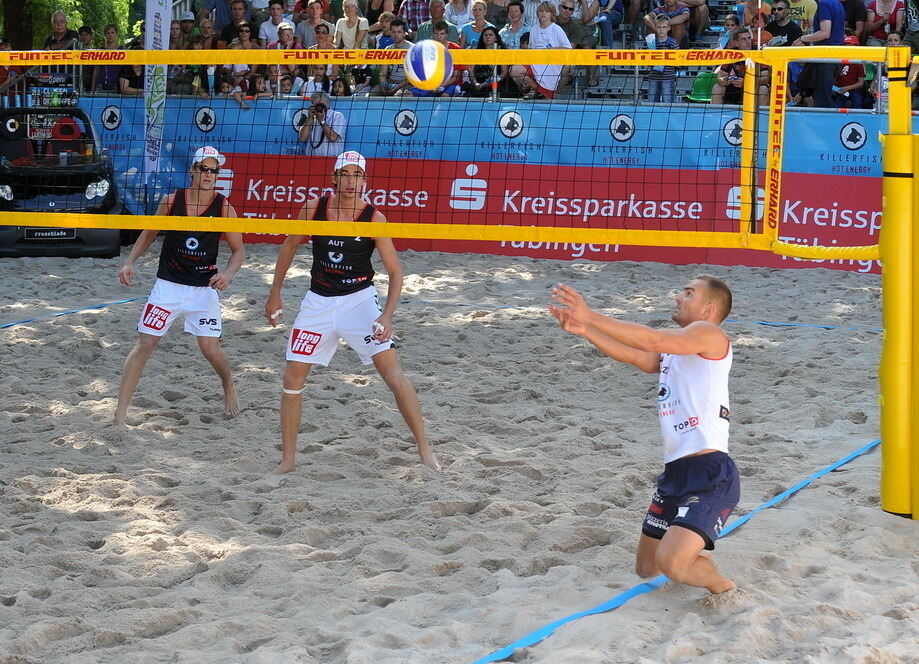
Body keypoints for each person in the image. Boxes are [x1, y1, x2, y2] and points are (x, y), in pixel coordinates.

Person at [549, 277, 739, 595]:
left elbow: (650, 340)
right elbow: (638, 356)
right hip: (676, 473)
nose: (678, 296)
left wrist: (590, 315)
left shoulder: (709, 333)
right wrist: (586, 331)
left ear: (709, 307)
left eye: (688, 293)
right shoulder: (679, 352)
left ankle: (721, 585)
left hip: (710, 473)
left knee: (672, 564)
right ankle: (688, 552)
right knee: (647, 568)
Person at [264, 151, 440, 475]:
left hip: (359, 301)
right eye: (345, 174)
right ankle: (288, 461)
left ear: (364, 181)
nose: (351, 181)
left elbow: (396, 273)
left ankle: (424, 448)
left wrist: (386, 317)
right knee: (292, 377)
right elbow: (288, 247)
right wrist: (274, 292)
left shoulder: (373, 218)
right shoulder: (313, 209)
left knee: (392, 373)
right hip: (318, 302)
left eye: (357, 175)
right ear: (334, 179)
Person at [114, 146, 244, 427]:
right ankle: (119, 414)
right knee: (146, 343)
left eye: (214, 170)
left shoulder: (224, 207)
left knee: (210, 349)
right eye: (204, 169)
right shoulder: (172, 200)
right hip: (168, 286)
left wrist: (228, 275)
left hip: (203, 290)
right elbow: (148, 234)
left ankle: (229, 385)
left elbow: (238, 252)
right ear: (193, 171)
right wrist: (130, 261)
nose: (209, 174)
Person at [510, 1, 571, 99]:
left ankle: (542, 91)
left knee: (548, 100)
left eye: (546, 11)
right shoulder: (534, 29)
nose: (543, 13)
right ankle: (538, 89)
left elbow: (568, 48)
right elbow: (530, 49)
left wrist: (551, 50)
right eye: (541, 11)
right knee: (514, 71)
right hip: (535, 63)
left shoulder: (556, 29)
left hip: (551, 64)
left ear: (552, 14)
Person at [792, 0, 845, 108]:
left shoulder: (824, 3)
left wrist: (802, 38)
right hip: (834, 55)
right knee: (820, 95)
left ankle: (830, 124)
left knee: (822, 98)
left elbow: (825, 33)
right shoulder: (837, 3)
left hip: (825, 57)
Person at [298, 90, 347, 155]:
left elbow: (332, 138)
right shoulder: (311, 118)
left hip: (331, 160)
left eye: (320, 104)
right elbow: (302, 138)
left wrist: (321, 120)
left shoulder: (337, 116)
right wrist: (310, 118)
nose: (318, 107)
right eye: (315, 105)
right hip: (311, 160)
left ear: (327, 102)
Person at [645, 16, 680, 103]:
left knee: (667, 102)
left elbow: (679, 61)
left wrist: (665, 61)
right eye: (659, 27)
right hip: (653, 76)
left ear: (668, 28)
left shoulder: (672, 43)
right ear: (655, 27)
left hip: (668, 77)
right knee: (651, 102)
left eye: (664, 27)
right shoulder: (651, 43)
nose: (661, 30)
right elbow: (646, 60)